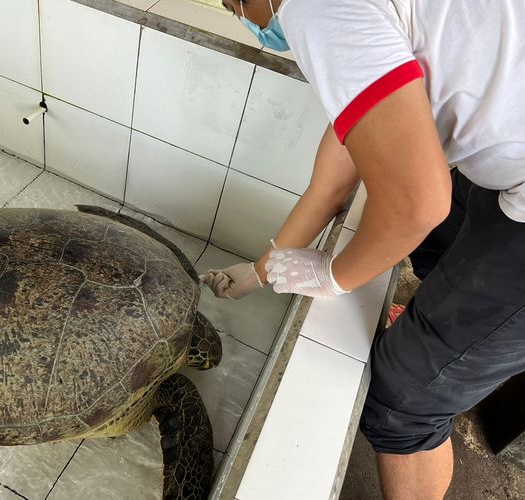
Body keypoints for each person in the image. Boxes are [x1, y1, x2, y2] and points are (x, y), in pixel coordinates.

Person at [203, 1, 525, 498]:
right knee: (445, 238)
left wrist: (332, 276)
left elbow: (418, 204)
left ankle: (442, 372)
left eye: (231, 3)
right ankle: (456, 340)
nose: (240, 15)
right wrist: (260, 270)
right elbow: (333, 182)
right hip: (513, 165)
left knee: (402, 401)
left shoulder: (316, 12)